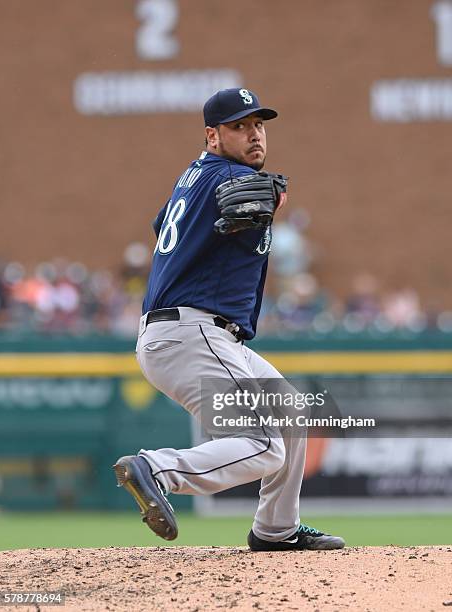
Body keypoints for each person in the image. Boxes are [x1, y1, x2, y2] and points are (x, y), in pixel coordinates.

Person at [113, 88, 345, 552]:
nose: (254, 134)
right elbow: (232, 198)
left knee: (292, 413)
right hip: (193, 333)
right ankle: (156, 468)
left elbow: (164, 224)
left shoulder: (194, 176)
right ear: (212, 136)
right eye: (239, 126)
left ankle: (275, 530)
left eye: (258, 125)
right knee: (262, 444)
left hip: (194, 334)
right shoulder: (228, 177)